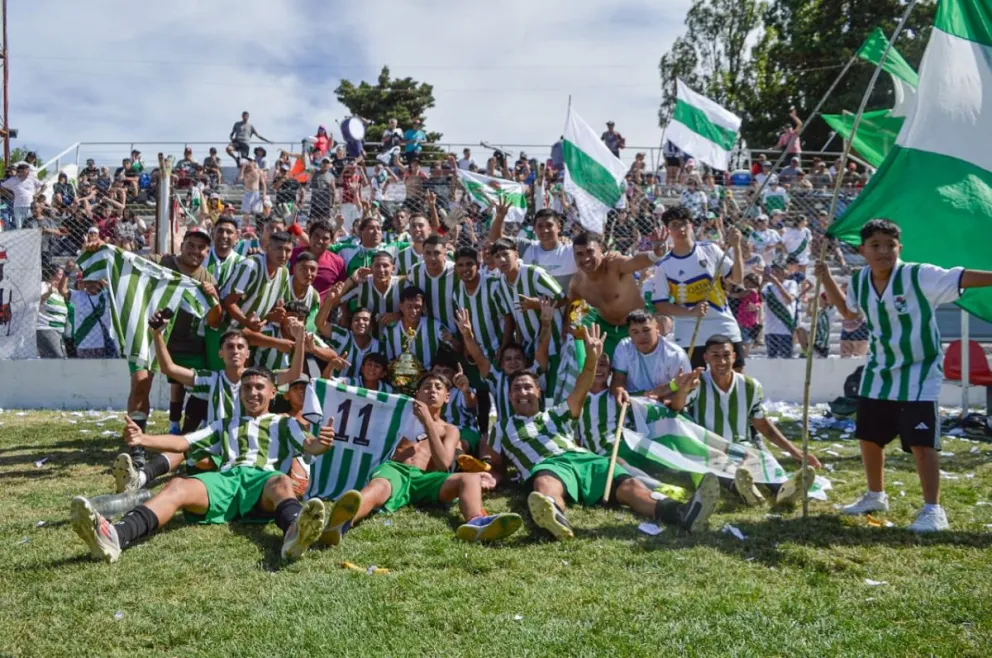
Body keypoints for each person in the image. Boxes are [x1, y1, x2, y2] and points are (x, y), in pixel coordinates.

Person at [816, 219, 992, 532]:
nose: (883, 251)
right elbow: (849, 313)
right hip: (879, 370)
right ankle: (874, 496)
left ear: (900, 248)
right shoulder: (859, 281)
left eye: (890, 245)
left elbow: (961, 276)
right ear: (862, 250)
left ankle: (933, 510)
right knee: (869, 437)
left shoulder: (918, 274)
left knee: (922, 443)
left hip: (919, 371)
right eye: (875, 245)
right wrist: (826, 276)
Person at [70, 367, 335, 564]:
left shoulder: (285, 422)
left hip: (263, 484)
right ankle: (116, 536)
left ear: (273, 392)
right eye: (247, 387)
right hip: (228, 481)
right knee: (178, 486)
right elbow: (183, 442)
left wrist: (322, 443)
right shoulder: (226, 424)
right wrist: (143, 438)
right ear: (240, 392)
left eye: (259, 387)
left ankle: (294, 531)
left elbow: (309, 445)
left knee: (281, 481)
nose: (252, 392)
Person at [484, 325, 719, 540]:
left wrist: (592, 360)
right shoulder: (502, 428)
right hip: (547, 464)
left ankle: (682, 513)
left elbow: (581, 389)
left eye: (527, 387)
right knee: (545, 482)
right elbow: (495, 466)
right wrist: (490, 477)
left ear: (538, 391)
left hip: (583, 458)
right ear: (509, 396)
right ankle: (554, 517)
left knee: (630, 487)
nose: (522, 392)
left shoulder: (556, 413)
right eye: (516, 388)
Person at [317, 373, 521, 547]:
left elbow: (443, 464)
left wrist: (428, 423)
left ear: (447, 397)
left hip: (426, 479)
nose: (432, 391)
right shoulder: (400, 416)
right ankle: (340, 524)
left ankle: (477, 523)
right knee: (379, 486)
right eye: (426, 387)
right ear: (417, 394)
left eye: (438, 388)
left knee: (470, 479)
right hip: (396, 470)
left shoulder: (450, 430)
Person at [666, 335, 820, 506]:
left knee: (766, 462)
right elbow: (676, 408)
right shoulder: (697, 383)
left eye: (726, 355)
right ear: (706, 358)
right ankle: (745, 491)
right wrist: (682, 390)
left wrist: (794, 451)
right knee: (719, 470)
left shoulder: (750, 386)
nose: (722, 361)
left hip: (740, 446)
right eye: (715, 355)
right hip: (706, 447)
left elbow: (762, 424)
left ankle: (785, 491)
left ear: (734, 356)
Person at [650, 205, 744, 370]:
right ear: (668, 230)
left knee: (736, 373)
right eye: (674, 225)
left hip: (722, 322)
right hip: (689, 328)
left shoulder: (710, 250)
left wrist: (736, 247)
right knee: (694, 380)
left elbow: (737, 279)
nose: (680, 229)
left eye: (683, 223)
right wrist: (691, 313)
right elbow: (660, 304)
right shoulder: (663, 265)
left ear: (691, 225)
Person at [568, 231, 666, 358]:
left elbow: (635, 262)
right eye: (579, 254)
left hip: (637, 326)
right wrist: (574, 327)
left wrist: (655, 254)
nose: (585, 258)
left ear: (601, 249)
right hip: (605, 330)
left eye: (590, 252)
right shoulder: (577, 283)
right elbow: (574, 309)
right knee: (605, 370)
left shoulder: (614, 264)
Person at [489, 238, 566, 359]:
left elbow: (563, 298)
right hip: (530, 349)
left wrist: (539, 304)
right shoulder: (502, 283)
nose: (502, 260)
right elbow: (516, 318)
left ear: (516, 254)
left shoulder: (534, 273)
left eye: (505, 254)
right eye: (497, 256)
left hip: (554, 346)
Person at [489, 203, 576, 291]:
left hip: (564, 303)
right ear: (534, 229)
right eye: (540, 226)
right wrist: (500, 217)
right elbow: (496, 239)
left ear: (558, 227)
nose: (545, 230)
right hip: (533, 304)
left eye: (549, 225)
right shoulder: (526, 247)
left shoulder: (571, 250)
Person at [610, 310, 690, 402]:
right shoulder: (624, 347)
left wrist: (664, 402)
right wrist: (620, 392)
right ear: (629, 333)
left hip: (665, 405)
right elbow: (618, 379)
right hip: (631, 402)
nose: (642, 336)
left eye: (646, 330)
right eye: (635, 332)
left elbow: (685, 391)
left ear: (657, 328)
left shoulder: (676, 354)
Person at [222, 231, 294, 332]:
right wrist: (246, 321)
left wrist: (274, 315)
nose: (283, 254)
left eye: (288, 250)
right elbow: (229, 302)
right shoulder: (251, 266)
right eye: (279, 248)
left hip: (253, 330)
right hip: (226, 328)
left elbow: (273, 309)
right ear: (268, 247)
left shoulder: (284, 273)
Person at [453, 246, 510, 361]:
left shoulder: (493, 285)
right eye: (460, 265)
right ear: (455, 268)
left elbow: (509, 318)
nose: (465, 269)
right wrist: (467, 347)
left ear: (478, 266)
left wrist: (504, 348)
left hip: (499, 352)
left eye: (469, 264)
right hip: (476, 354)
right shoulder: (457, 292)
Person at [381, 286, 447, 372]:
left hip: (428, 378)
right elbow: (387, 361)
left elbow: (457, 348)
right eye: (409, 306)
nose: (414, 311)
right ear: (401, 306)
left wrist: (452, 340)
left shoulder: (434, 325)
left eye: (417, 307)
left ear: (423, 307)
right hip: (400, 379)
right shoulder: (390, 330)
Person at [407, 234, 459, 332]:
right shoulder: (415, 270)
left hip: (454, 331)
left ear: (445, 254)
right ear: (422, 253)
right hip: (427, 332)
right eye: (428, 253)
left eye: (437, 253)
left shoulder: (456, 271)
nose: (432, 258)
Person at [337, 250, 405, 321]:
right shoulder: (362, 283)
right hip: (367, 330)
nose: (381, 270)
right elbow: (336, 301)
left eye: (385, 266)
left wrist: (401, 315)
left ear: (393, 269)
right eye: (377, 266)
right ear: (371, 268)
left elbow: (415, 308)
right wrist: (351, 280)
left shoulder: (402, 284)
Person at [318, 306, 381, 380]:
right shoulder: (343, 335)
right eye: (356, 320)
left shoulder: (379, 347)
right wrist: (330, 300)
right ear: (351, 324)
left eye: (365, 319)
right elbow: (320, 325)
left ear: (372, 325)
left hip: (363, 390)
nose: (360, 322)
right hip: (336, 385)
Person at [290, 220, 346, 299]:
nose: (320, 241)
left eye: (325, 238)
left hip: (323, 309)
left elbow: (341, 291)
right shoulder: (292, 255)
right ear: (310, 236)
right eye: (316, 236)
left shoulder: (338, 262)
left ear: (331, 241)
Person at [761, 261, 799, 359]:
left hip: (785, 327)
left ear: (784, 272)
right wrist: (763, 281)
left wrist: (777, 283)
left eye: (777, 271)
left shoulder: (791, 283)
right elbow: (760, 298)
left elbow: (789, 299)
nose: (775, 274)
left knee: (786, 358)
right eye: (773, 272)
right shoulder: (768, 286)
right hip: (770, 329)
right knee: (771, 358)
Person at [37, 263, 70, 359]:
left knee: (54, 358)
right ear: (52, 275)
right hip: (46, 328)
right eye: (61, 274)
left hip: (58, 330)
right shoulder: (44, 285)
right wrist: (48, 293)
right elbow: (37, 303)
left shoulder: (59, 291)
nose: (63, 277)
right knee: (58, 358)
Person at [1, 163, 44, 229]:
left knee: (30, 225)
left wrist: (38, 194)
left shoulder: (31, 179)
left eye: (28, 171)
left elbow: (44, 185)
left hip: (30, 207)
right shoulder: (13, 180)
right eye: (25, 171)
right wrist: (8, 194)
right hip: (18, 206)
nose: (27, 173)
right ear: (19, 172)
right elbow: (1, 187)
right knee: (19, 227)